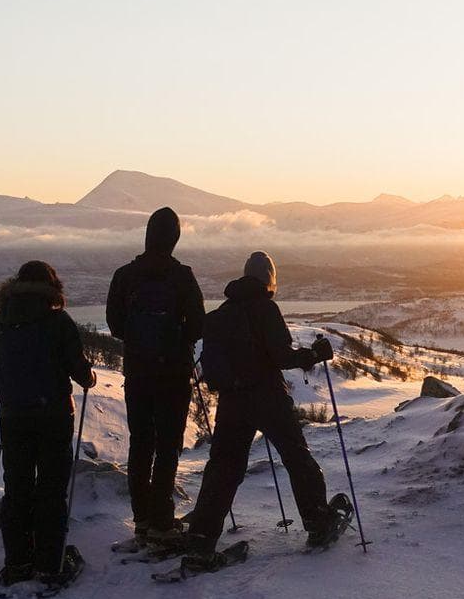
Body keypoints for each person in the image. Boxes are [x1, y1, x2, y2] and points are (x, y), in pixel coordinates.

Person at [169, 251, 346, 564]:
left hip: (231, 402)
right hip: (267, 396)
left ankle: (200, 538)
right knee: (295, 456)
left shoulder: (219, 315)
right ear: (269, 279)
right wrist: (314, 355)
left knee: (224, 467)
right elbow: (281, 356)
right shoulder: (266, 308)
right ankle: (318, 521)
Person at [0, 260, 96, 591]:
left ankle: (17, 562)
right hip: (54, 416)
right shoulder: (57, 321)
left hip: (13, 416)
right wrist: (88, 376)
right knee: (51, 486)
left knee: (17, 487)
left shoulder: (2, 322)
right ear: (52, 287)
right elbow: (78, 369)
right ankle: (50, 563)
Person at [104, 206, 205, 543]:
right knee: (167, 445)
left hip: (138, 371)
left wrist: (138, 342)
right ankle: (163, 520)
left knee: (141, 443)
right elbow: (198, 325)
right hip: (173, 372)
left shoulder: (124, 275)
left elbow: (115, 324)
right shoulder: (182, 276)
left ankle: (142, 519)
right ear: (174, 239)